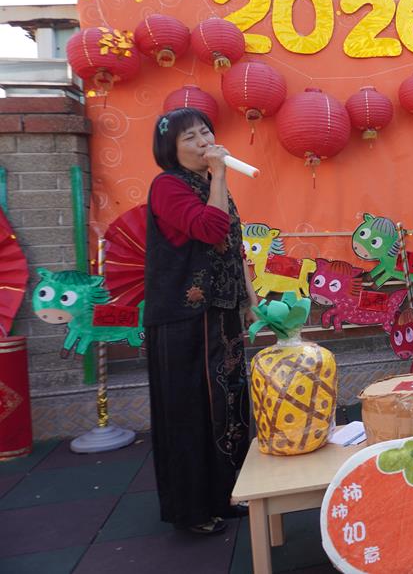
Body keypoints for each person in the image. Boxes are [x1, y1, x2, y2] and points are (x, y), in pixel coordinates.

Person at [143, 107, 258, 535]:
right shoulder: (168, 186)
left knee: (229, 406)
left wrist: (249, 297)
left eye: (205, 132)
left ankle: (226, 492)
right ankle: (191, 510)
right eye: (190, 137)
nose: (204, 141)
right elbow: (209, 229)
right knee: (190, 410)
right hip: (184, 319)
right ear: (170, 148)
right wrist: (222, 174)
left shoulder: (211, 183)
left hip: (221, 313)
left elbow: (232, 242)